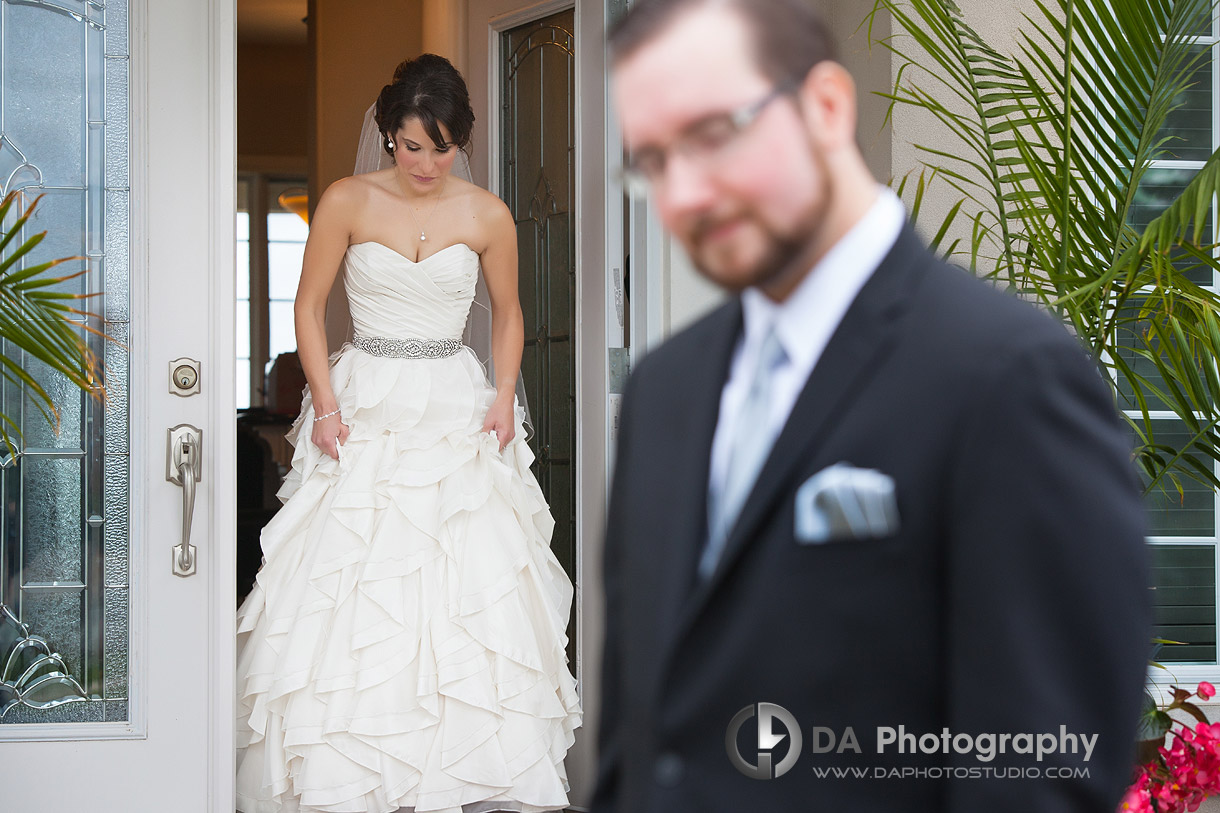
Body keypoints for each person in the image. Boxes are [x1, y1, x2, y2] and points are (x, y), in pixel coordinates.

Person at [594, 1, 1151, 812]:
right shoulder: (664, 389)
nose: (684, 193)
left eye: (713, 135)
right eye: (652, 160)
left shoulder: (1008, 376)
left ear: (826, 106)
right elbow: (639, 743)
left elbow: (1034, 777)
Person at [235, 54, 581, 813]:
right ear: (388, 133)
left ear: (462, 141)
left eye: (444, 146)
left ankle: (465, 768)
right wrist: (324, 406)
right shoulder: (345, 200)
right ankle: (348, 774)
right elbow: (309, 305)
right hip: (362, 403)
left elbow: (511, 313)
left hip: (456, 403)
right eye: (413, 144)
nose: (427, 162)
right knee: (352, 580)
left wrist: (504, 395)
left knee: (466, 582)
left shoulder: (487, 213)